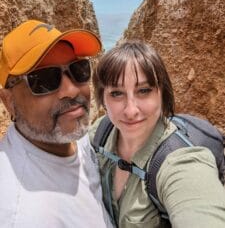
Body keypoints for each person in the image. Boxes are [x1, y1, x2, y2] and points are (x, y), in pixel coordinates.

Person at [90, 40, 225, 228]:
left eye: (144, 91)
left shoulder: (182, 162)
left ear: (162, 93)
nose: (131, 110)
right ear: (102, 99)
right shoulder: (101, 133)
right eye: (116, 93)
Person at [0, 20, 114, 228]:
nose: (70, 90)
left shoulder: (69, 138)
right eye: (44, 80)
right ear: (9, 102)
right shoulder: (23, 215)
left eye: (78, 69)